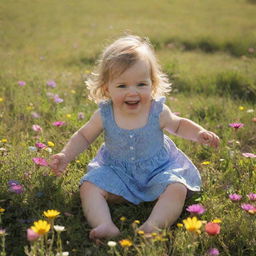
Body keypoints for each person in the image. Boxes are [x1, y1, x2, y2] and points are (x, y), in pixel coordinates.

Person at [49, 35, 219, 240]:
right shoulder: (104, 114)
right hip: (116, 172)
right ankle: (104, 225)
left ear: (152, 84)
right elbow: (84, 136)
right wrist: (66, 155)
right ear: (106, 89)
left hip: (158, 171)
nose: (133, 92)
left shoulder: (157, 111)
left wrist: (199, 133)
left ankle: (153, 226)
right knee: (89, 186)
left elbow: (179, 124)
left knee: (177, 188)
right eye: (122, 86)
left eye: (141, 84)